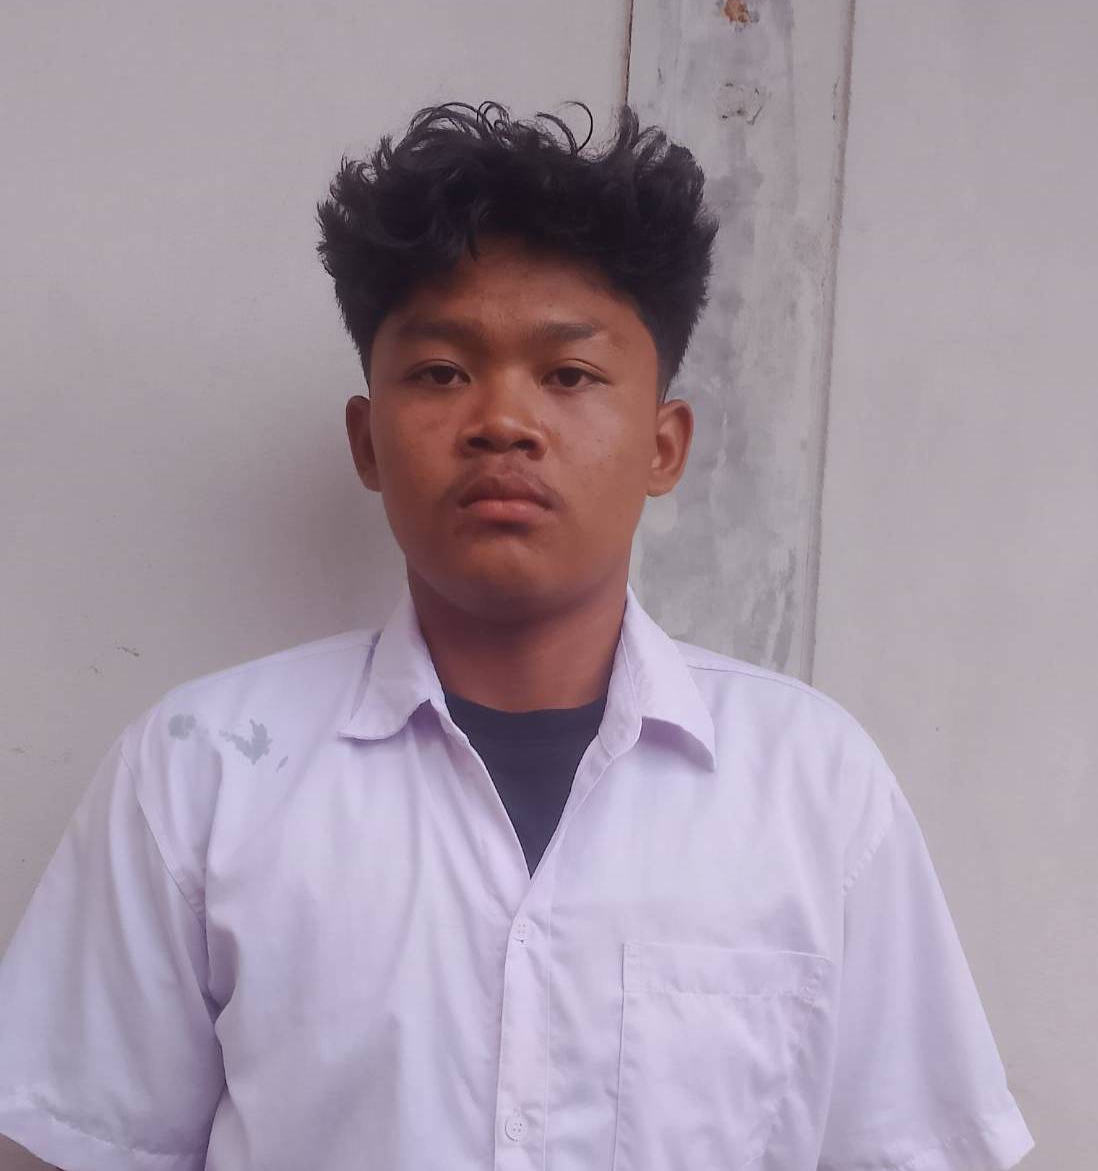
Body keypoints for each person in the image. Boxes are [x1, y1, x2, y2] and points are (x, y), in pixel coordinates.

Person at [0, 101, 1034, 1171]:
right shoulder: (202, 772)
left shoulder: (813, 786)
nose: (502, 420)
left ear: (664, 445)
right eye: (441, 372)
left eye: (569, 374)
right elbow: (83, 1142)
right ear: (367, 439)